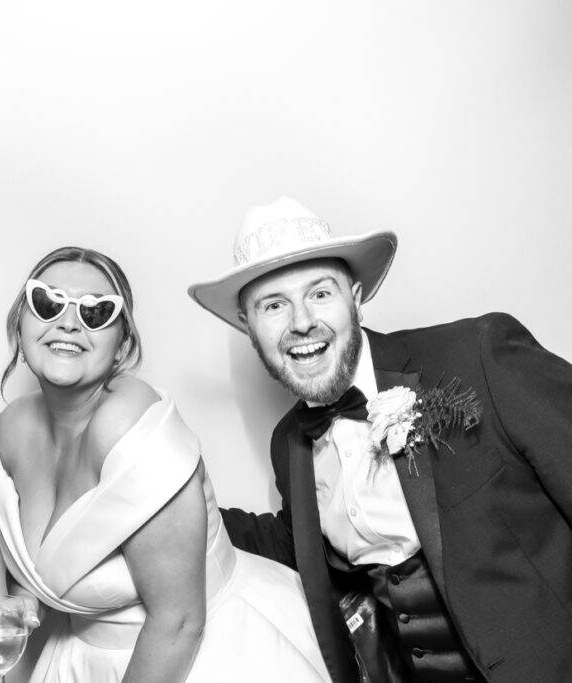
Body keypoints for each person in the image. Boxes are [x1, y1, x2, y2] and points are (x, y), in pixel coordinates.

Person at [189, 196, 572, 682]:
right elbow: (295, 544)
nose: (302, 321)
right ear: (248, 324)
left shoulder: (478, 355)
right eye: (273, 305)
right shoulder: (289, 443)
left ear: (355, 294)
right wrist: (172, 500)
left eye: (320, 293)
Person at [0, 246, 331, 682]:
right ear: (19, 327)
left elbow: (178, 623)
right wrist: (22, 605)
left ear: (122, 347)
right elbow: (49, 566)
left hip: (192, 657)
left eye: (96, 312)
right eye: (48, 302)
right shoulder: (12, 429)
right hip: (83, 660)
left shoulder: (128, 423)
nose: (68, 321)